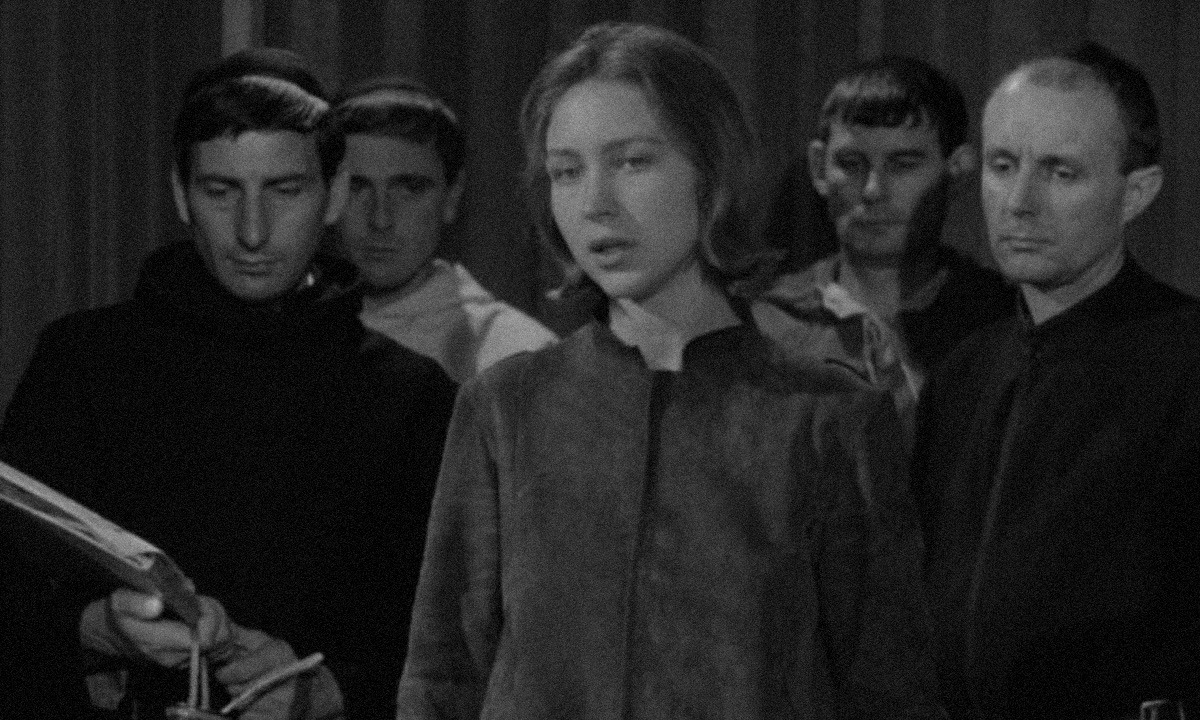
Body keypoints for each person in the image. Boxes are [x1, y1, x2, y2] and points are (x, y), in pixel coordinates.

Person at [397, 22, 942, 719]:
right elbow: (442, 680)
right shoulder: (507, 407)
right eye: (567, 171)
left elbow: (891, 693)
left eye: (632, 162)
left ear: (711, 173)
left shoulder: (827, 418)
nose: (595, 203)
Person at [0, 47, 457, 719]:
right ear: (181, 195)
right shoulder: (83, 362)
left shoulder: (412, 397)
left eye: (285, 190)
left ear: (334, 195)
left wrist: (329, 692)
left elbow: (455, 642)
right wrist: (94, 629)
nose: (252, 232)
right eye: (221, 192)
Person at [911, 41, 1200, 719]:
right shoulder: (963, 375)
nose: (1019, 203)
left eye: (1060, 172)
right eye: (1002, 166)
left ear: (1136, 193)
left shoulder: (1187, 363)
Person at [748, 56, 1013, 439]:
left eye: (903, 165)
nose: (873, 190)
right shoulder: (764, 325)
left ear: (956, 171)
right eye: (851, 164)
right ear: (819, 168)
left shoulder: (1002, 324)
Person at [327, 76, 557, 383]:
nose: (380, 219)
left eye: (410, 189)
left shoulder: (516, 354)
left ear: (451, 197)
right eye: (356, 187)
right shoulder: (289, 332)